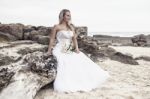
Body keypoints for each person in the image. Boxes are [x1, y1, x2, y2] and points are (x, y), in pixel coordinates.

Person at [47, 9, 110, 93]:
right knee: (64, 61)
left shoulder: (71, 27)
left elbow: (74, 39)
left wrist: (76, 48)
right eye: (67, 15)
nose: (69, 17)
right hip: (59, 49)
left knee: (80, 57)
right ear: (63, 16)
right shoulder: (57, 27)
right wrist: (49, 51)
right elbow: (51, 39)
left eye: (70, 15)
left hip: (68, 48)